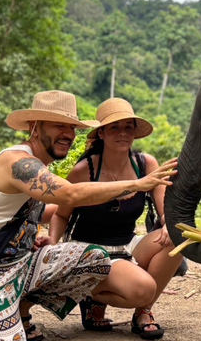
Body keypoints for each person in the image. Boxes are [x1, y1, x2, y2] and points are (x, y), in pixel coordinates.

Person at [0, 90, 177, 341]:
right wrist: (135, 185)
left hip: (21, 266)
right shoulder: (17, 162)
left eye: (71, 128)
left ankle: (20, 310)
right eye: (58, 126)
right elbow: (68, 195)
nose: (67, 134)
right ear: (34, 126)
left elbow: (49, 210)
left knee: (93, 257)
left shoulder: (40, 165)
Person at [49, 98, 184, 340]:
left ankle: (143, 312)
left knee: (177, 239)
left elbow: (165, 210)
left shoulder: (146, 164)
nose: (123, 133)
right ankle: (89, 294)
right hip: (90, 251)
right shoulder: (84, 170)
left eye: (128, 127)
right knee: (143, 288)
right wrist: (52, 243)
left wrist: (168, 224)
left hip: (128, 244)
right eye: (114, 127)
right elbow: (61, 214)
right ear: (101, 133)